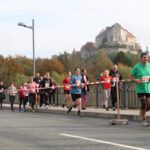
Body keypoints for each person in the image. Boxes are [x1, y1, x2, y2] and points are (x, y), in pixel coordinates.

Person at [130, 52, 150, 126]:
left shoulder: (149, 66)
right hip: (140, 89)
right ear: (141, 58)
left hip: (148, 88)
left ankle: (142, 113)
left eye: (147, 57)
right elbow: (131, 77)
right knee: (143, 104)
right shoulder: (137, 67)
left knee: (149, 105)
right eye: (144, 57)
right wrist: (136, 80)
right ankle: (144, 120)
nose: (146, 59)